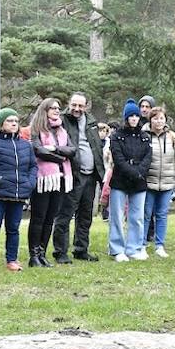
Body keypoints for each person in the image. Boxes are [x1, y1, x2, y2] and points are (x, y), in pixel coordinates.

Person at [0, 108, 36, 272]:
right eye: (10, 120)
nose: (14, 124)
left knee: (13, 228)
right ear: (1, 123)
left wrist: (29, 184)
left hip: (18, 194)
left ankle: (12, 259)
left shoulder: (26, 145)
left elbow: (33, 167)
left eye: (16, 121)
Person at [54, 93, 103, 263]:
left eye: (80, 106)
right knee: (65, 214)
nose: (77, 109)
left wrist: (100, 172)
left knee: (85, 214)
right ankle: (60, 252)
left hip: (91, 175)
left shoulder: (91, 121)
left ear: (86, 106)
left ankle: (81, 249)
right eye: (74, 105)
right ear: (69, 104)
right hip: (72, 174)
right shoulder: (62, 121)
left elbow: (96, 146)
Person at [27, 98, 75, 268]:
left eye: (58, 108)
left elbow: (73, 150)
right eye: (52, 108)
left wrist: (55, 150)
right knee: (38, 217)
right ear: (44, 110)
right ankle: (33, 255)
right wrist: (61, 157)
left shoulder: (62, 130)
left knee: (50, 219)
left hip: (61, 178)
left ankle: (43, 253)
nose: (56, 110)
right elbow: (38, 150)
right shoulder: (36, 128)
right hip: (44, 178)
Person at [107, 99, 152, 261]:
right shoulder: (116, 137)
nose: (134, 118)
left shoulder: (145, 137)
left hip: (139, 181)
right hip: (120, 180)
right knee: (117, 216)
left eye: (136, 115)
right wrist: (132, 171)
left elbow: (148, 158)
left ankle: (134, 247)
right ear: (126, 118)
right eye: (130, 116)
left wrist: (139, 172)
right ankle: (117, 249)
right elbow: (118, 159)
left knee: (137, 216)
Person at [144, 106, 175, 258]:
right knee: (146, 214)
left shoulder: (173, 137)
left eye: (161, 118)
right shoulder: (144, 135)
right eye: (155, 118)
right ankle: (142, 244)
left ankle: (160, 245)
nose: (158, 121)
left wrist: (170, 172)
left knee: (162, 214)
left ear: (165, 119)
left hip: (167, 182)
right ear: (150, 120)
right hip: (149, 181)